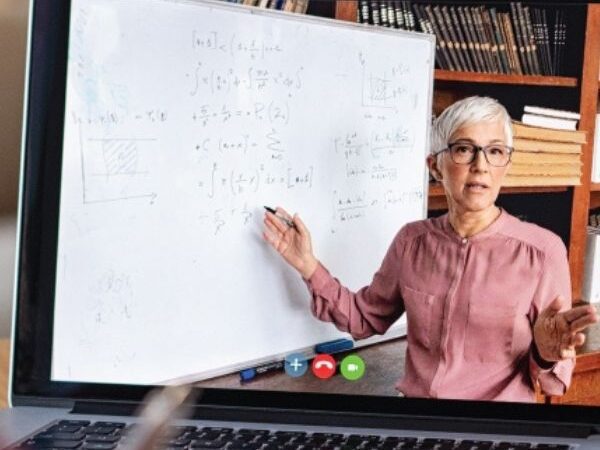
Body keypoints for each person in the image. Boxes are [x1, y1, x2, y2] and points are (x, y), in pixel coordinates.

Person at [262, 96, 599, 402]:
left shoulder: (541, 251)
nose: (480, 165)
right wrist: (307, 265)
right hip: (419, 422)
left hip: (494, 432)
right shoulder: (412, 241)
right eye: (464, 149)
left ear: (506, 165)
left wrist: (544, 352)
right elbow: (364, 319)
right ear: (435, 166)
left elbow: (555, 384)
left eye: (495, 151)